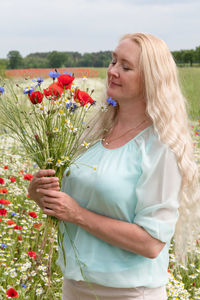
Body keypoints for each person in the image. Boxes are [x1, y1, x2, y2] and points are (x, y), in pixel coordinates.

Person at [28, 33, 199, 300]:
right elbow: (73, 202)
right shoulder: (93, 131)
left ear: (151, 79)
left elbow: (151, 243)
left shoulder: (161, 146)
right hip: (74, 286)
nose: (112, 71)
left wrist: (77, 214)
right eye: (112, 61)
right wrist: (41, 194)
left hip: (128, 293)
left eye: (125, 67)